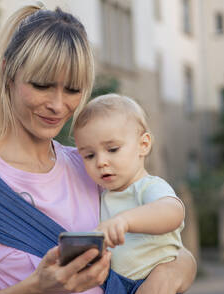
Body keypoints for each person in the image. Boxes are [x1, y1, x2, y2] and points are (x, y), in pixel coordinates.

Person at [0, 4, 196, 294]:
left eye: (72, 90)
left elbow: (173, 251)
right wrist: (37, 289)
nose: (58, 105)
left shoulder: (90, 165)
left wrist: (164, 277)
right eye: (41, 85)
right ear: (8, 73)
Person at [73, 94, 185, 281]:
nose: (101, 162)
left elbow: (173, 212)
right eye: (89, 155)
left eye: (113, 149)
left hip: (149, 284)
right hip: (116, 289)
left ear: (143, 145)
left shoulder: (147, 187)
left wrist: (125, 221)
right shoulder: (100, 195)